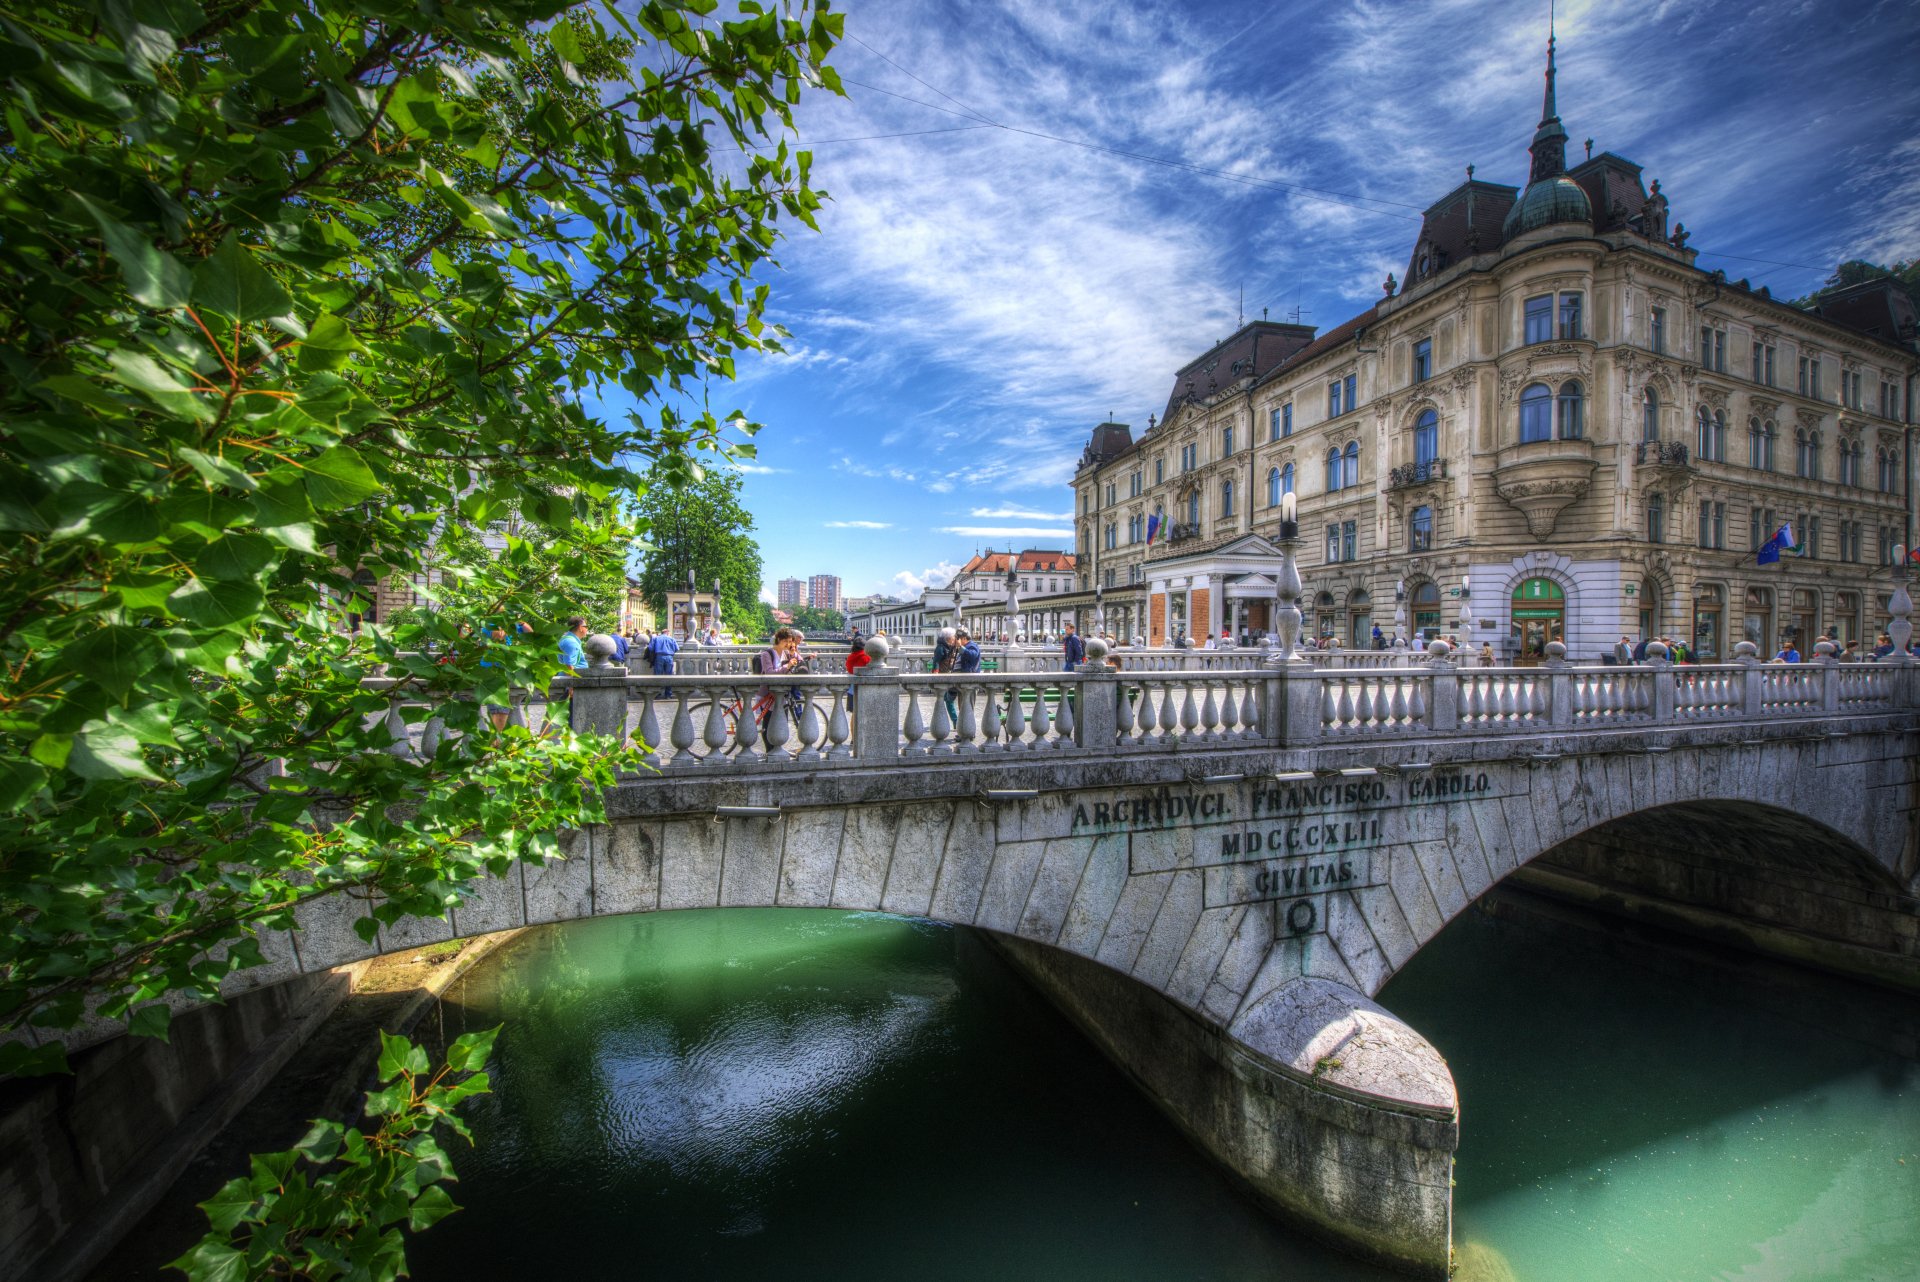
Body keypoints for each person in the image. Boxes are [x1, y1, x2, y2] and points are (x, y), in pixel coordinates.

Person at [753, 626, 806, 739]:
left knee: (781, 722)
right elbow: (770, 673)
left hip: (782, 692)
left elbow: (801, 662)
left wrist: (793, 652)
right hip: (768, 693)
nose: (787, 644)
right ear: (778, 640)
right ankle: (769, 751)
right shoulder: (767, 654)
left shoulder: (786, 653)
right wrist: (788, 665)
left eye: (790, 641)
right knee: (768, 723)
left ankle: (778, 748)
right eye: (785, 641)